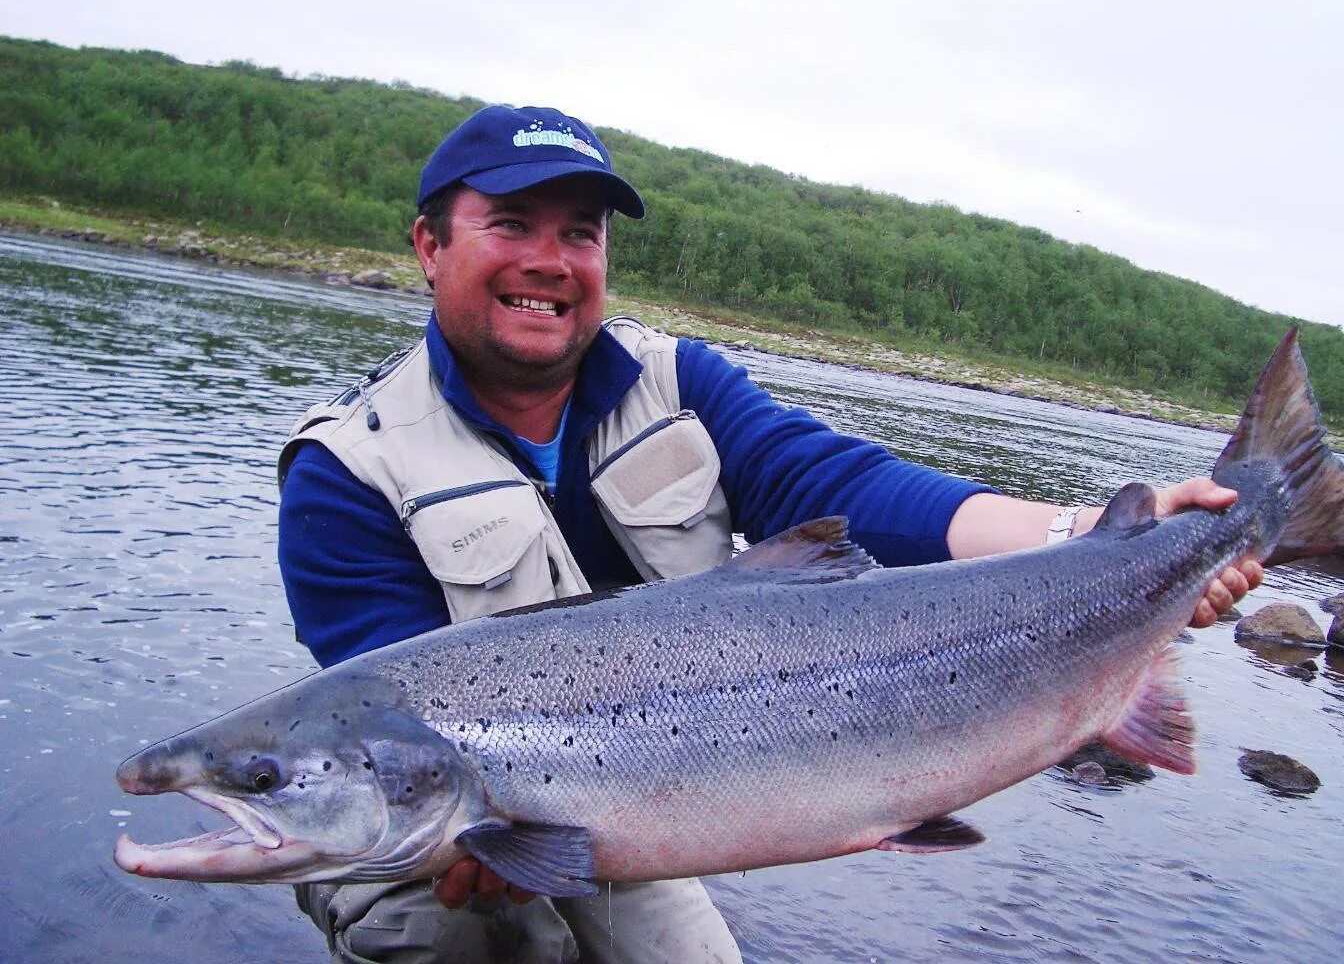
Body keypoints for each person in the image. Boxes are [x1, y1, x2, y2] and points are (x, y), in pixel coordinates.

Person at [277, 104, 1262, 963]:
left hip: (637, 803)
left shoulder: (680, 384)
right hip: (437, 838)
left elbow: (844, 486)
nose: (549, 259)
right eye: (509, 223)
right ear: (427, 245)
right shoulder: (346, 469)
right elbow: (384, 734)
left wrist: (1093, 532)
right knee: (465, 933)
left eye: (580, 233)